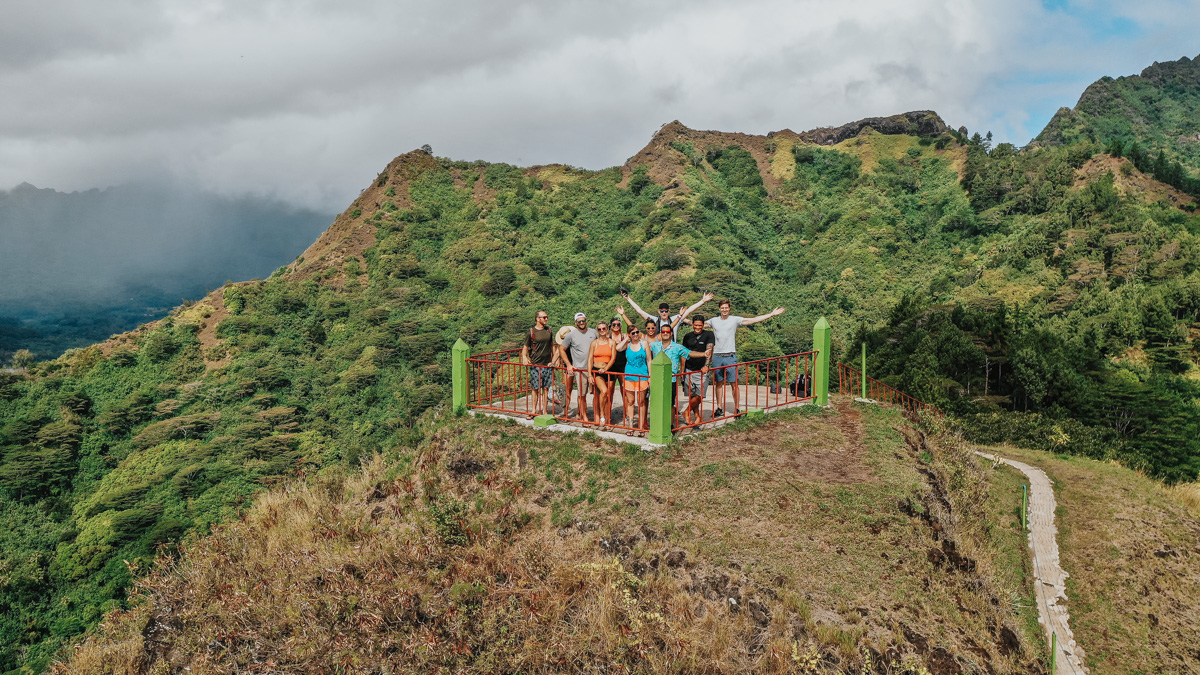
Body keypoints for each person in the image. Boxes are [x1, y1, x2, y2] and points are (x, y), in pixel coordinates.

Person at [707, 300, 786, 417]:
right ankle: (719, 407)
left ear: (729, 308)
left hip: (730, 355)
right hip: (717, 356)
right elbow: (697, 324)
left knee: (734, 384)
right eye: (722, 308)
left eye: (726, 308)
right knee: (718, 383)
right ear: (719, 309)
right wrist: (681, 317)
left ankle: (737, 408)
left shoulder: (734, 320)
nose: (724, 310)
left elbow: (752, 320)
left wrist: (771, 315)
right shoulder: (713, 321)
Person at [649, 324, 710, 429]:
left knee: (670, 403)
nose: (665, 334)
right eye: (663, 332)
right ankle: (657, 425)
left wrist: (704, 354)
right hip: (657, 379)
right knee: (656, 403)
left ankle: (670, 425)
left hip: (671, 379)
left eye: (667, 332)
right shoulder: (654, 346)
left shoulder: (677, 347)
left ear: (671, 334)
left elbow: (690, 353)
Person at [559, 313, 598, 423]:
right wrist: (569, 364)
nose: (582, 323)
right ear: (575, 322)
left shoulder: (593, 332)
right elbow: (561, 349)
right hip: (581, 369)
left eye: (583, 320)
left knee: (597, 393)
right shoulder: (571, 335)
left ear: (586, 320)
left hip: (594, 368)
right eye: (579, 321)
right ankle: (584, 416)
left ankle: (596, 415)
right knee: (582, 395)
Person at [520, 310, 559, 417]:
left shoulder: (549, 331)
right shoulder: (531, 332)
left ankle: (545, 411)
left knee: (546, 388)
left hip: (547, 364)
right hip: (535, 364)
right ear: (538, 319)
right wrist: (524, 357)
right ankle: (533, 411)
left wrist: (555, 359)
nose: (546, 319)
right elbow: (525, 347)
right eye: (544, 317)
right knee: (535, 388)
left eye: (547, 317)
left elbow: (552, 346)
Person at [621, 290, 714, 333]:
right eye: (662, 311)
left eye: (666, 311)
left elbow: (688, 311)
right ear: (659, 311)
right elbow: (639, 311)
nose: (664, 313)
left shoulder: (675, 319)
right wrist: (628, 298)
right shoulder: (654, 320)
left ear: (669, 311)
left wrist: (703, 301)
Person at [680, 315, 715, 425]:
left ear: (703, 325)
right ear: (692, 324)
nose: (697, 327)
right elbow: (683, 353)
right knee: (692, 395)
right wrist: (682, 370)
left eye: (700, 325)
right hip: (689, 369)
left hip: (701, 370)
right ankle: (697, 417)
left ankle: (686, 412)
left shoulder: (709, 335)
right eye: (695, 325)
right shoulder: (687, 336)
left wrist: (707, 365)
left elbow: (709, 350)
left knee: (700, 396)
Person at [616, 324, 650, 436]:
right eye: (633, 333)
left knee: (641, 402)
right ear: (630, 335)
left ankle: (640, 427)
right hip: (629, 376)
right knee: (630, 402)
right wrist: (626, 339)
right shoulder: (627, 345)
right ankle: (630, 427)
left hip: (642, 376)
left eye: (637, 332)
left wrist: (650, 376)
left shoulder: (644, 344)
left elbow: (649, 360)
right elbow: (617, 348)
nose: (636, 335)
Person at [586, 321, 616, 428]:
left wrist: (606, 368)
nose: (602, 331)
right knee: (604, 391)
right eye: (600, 329)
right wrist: (589, 374)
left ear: (607, 329)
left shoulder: (611, 342)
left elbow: (613, 358)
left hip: (609, 370)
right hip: (597, 371)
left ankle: (608, 420)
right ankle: (602, 416)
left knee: (608, 396)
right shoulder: (594, 343)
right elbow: (590, 359)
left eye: (604, 328)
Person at [607, 314, 630, 426]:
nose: (616, 326)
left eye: (618, 324)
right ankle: (608, 415)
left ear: (621, 326)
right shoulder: (608, 337)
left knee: (624, 391)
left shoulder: (625, 336)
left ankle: (627, 414)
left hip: (622, 366)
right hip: (611, 366)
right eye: (614, 324)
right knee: (609, 391)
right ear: (611, 326)